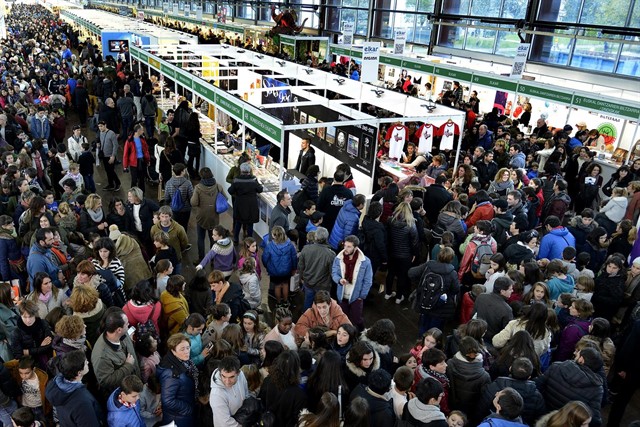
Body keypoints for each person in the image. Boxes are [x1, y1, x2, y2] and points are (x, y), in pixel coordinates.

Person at [535, 347, 604, 426]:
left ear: (581, 360)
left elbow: (537, 386)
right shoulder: (596, 388)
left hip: (543, 418)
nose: (574, 354)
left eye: (577, 355)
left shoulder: (556, 367)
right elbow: (595, 419)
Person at [478, 357, 545, 425]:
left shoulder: (494, 387)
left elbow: (481, 409)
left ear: (510, 369)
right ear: (529, 377)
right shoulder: (537, 396)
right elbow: (540, 419)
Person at [45, 350, 103, 427]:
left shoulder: (54, 386)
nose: (88, 362)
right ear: (79, 373)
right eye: (85, 363)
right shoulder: (82, 402)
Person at [91, 309, 140, 399]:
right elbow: (106, 381)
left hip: (135, 384)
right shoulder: (101, 356)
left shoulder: (123, 335)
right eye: (126, 323)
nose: (128, 325)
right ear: (119, 330)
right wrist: (128, 366)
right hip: (125, 394)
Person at [332, 235, 373, 331]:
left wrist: (362, 296)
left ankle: (362, 334)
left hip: (356, 296)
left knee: (357, 319)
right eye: (344, 245)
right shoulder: (338, 258)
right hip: (342, 295)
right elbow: (334, 272)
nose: (345, 249)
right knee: (342, 319)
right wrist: (339, 280)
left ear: (356, 247)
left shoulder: (365, 262)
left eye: (349, 246)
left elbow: (368, 280)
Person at [446, 336, 491, 425]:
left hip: (452, 408)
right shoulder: (484, 376)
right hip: (471, 412)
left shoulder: (449, 364)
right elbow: (483, 400)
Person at [259, 351, 307, 427]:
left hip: (267, 423)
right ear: (296, 369)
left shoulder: (267, 381)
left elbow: (262, 401)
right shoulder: (299, 395)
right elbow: (296, 419)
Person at [191, 167, 228, 261]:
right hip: (214, 216)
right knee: (213, 238)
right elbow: (225, 198)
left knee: (201, 238)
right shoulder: (218, 186)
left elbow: (194, 203)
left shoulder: (198, 188)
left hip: (201, 217)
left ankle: (201, 259)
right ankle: (213, 259)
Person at [298, 227, 336, 310]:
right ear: (326, 238)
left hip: (308, 282)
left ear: (315, 237)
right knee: (322, 306)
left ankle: (306, 319)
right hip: (323, 286)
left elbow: (300, 267)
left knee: (307, 302)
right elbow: (332, 272)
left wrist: (300, 278)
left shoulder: (306, 249)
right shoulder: (331, 254)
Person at [262, 225, 298, 308]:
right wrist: (294, 268)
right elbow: (294, 258)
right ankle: (285, 302)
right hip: (286, 270)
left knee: (277, 286)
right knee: (285, 285)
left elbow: (265, 258)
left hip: (274, 271)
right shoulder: (290, 246)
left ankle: (278, 303)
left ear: (274, 235)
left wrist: (267, 267)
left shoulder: (270, 246)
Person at [209, 356, 249, 427]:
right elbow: (225, 423)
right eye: (223, 376)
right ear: (220, 372)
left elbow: (246, 394)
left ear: (238, 373)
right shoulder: (216, 394)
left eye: (231, 377)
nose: (227, 382)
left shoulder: (241, 375)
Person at [228, 162, 263, 244]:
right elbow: (260, 189)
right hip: (251, 204)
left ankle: (236, 239)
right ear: (249, 171)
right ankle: (250, 241)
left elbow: (230, 191)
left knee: (238, 222)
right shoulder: (253, 179)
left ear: (241, 170)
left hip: (240, 204)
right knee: (250, 223)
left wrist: (237, 193)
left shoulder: (236, 180)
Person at [473, 277, 514, 342]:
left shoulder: (481, 297)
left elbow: (473, 315)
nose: (512, 291)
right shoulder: (507, 309)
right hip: (492, 341)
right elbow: (507, 332)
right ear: (502, 291)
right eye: (510, 289)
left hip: (477, 335)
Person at [164, 163, 194, 230]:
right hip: (186, 209)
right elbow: (191, 197)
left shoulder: (168, 183)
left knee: (174, 227)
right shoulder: (188, 183)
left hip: (173, 209)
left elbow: (166, 198)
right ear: (182, 171)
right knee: (184, 226)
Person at [122, 124, 151, 193]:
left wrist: (148, 159)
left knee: (141, 179)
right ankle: (132, 194)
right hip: (134, 163)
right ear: (138, 130)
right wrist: (125, 166)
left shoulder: (142, 138)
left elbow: (146, 150)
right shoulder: (129, 141)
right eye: (142, 130)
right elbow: (125, 154)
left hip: (142, 161)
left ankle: (142, 194)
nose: (143, 131)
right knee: (134, 180)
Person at [97, 120, 121, 191]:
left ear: (105, 125)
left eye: (101, 126)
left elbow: (115, 145)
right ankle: (111, 184)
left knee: (111, 170)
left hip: (110, 156)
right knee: (107, 170)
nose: (100, 128)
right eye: (99, 126)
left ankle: (117, 183)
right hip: (104, 155)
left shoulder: (111, 133)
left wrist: (113, 156)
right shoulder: (101, 132)